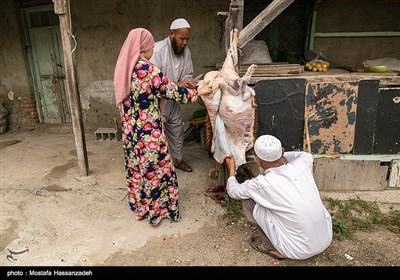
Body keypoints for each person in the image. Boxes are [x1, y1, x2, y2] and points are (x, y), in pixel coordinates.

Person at [113, 28, 212, 227]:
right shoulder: (147, 70)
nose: (152, 49)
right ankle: (158, 212)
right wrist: (198, 92)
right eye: (149, 46)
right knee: (156, 172)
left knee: (137, 169)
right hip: (149, 134)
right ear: (144, 47)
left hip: (131, 134)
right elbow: (172, 92)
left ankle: (141, 207)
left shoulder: (124, 67)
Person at [225, 134, 333, 260]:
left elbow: (233, 191)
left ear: (257, 160)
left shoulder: (260, 184)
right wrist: (275, 156)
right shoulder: (302, 164)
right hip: (325, 239)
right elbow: (306, 155)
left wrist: (231, 169)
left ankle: (270, 247)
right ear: (282, 151)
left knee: (248, 201)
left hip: (297, 251)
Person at [150, 18, 196, 172]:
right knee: (157, 136)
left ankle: (178, 161)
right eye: (181, 38)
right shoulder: (156, 50)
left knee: (177, 131)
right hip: (158, 102)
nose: (184, 42)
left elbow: (188, 73)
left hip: (174, 101)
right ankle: (158, 167)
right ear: (171, 34)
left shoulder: (186, 52)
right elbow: (153, 81)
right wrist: (178, 84)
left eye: (187, 39)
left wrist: (188, 82)